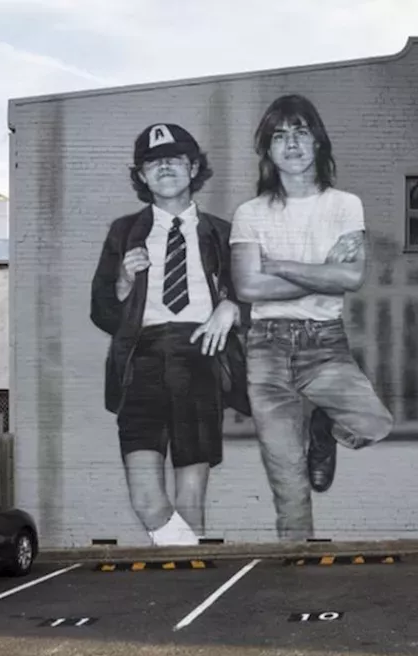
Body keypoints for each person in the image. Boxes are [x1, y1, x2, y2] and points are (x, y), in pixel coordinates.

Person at [230, 94, 394, 541]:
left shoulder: (344, 205)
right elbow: (247, 287)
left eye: (301, 131)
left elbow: (352, 276)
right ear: (267, 150)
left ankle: (324, 427)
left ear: (318, 141)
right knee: (287, 479)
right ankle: (295, 564)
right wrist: (323, 271)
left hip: (324, 344)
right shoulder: (250, 214)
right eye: (280, 135)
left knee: (375, 423)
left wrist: (279, 266)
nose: (292, 143)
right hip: (266, 349)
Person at [90, 122, 250, 546]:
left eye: (175, 159)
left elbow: (253, 295)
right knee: (146, 498)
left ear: (193, 168)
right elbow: (102, 312)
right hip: (140, 361)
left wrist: (230, 308)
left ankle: (186, 585)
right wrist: (124, 283)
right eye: (152, 161)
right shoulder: (124, 232)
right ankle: (189, 559)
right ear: (141, 175)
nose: (164, 167)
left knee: (191, 497)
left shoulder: (222, 231)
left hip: (199, 356)